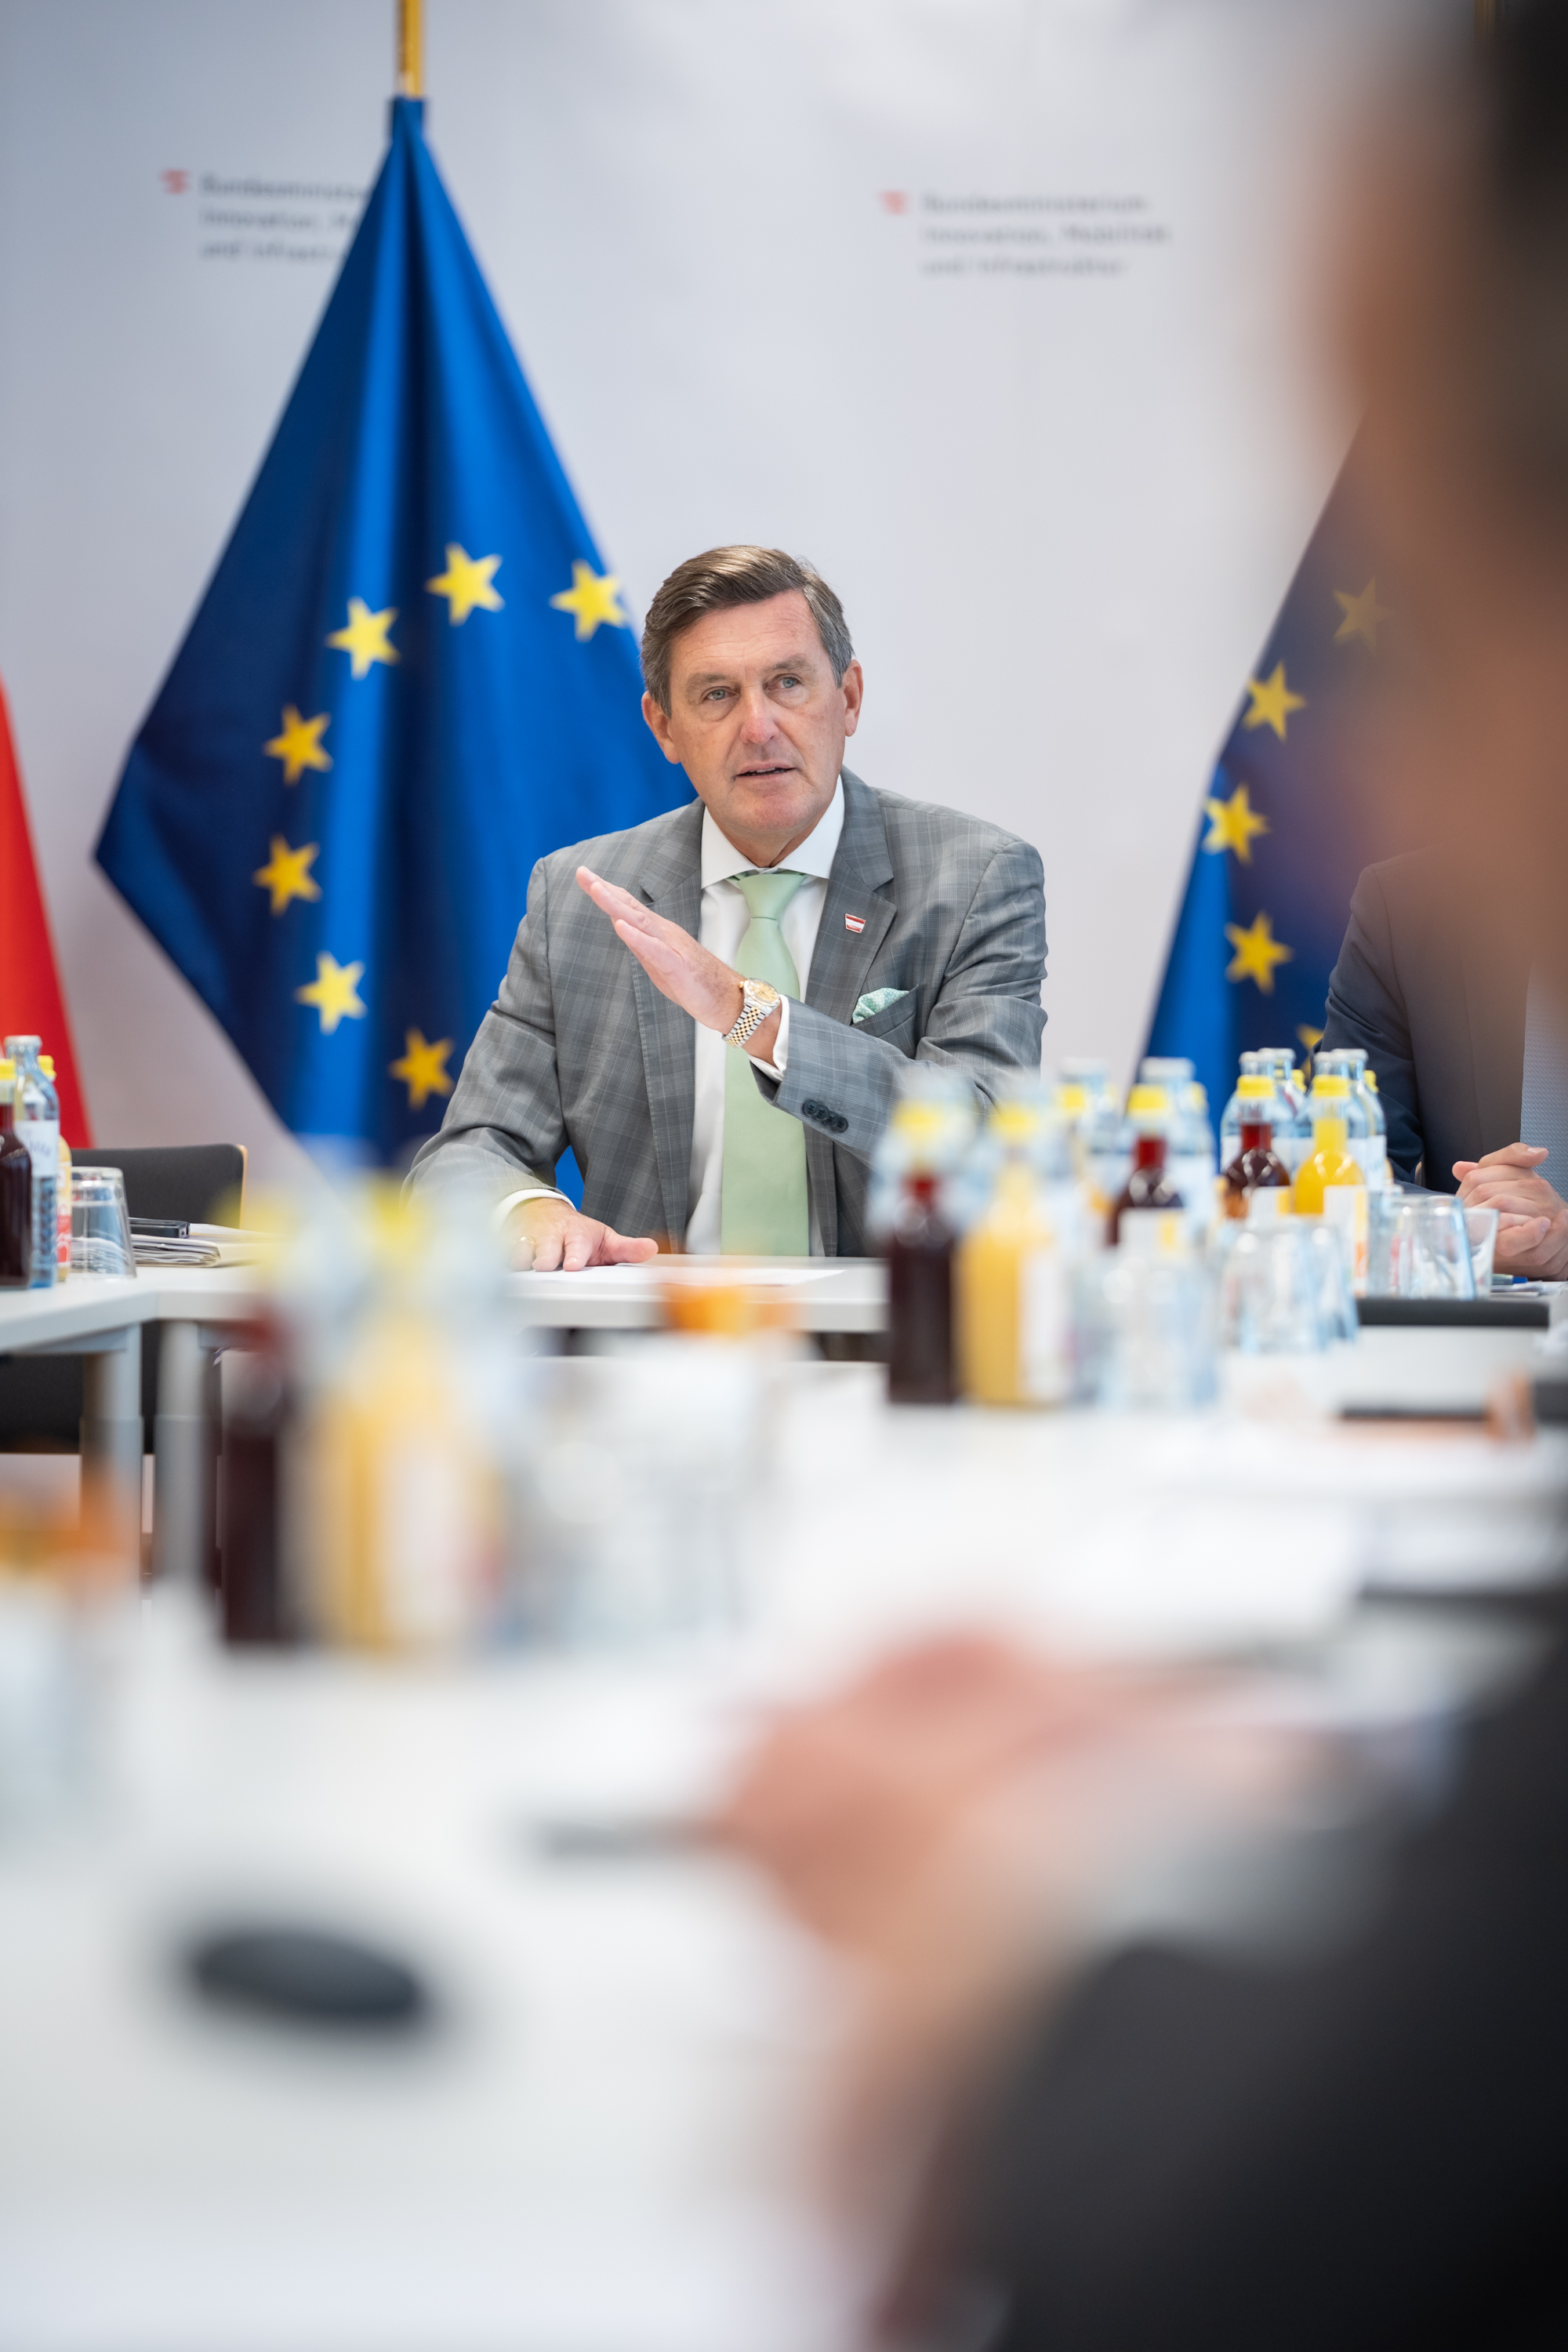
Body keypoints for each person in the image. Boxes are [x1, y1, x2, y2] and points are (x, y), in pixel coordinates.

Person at [409, 547, 1047, 1263]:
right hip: (651, 1327)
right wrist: (528, 1210)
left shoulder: (974, 878)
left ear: (849, 699)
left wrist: (748, 1014)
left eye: (787, 683)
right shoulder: (581, 898)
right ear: (663, 727)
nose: (759, 726)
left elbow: (990, 1138)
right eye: (716, 694)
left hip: (883, 1328)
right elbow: (465, 1155)